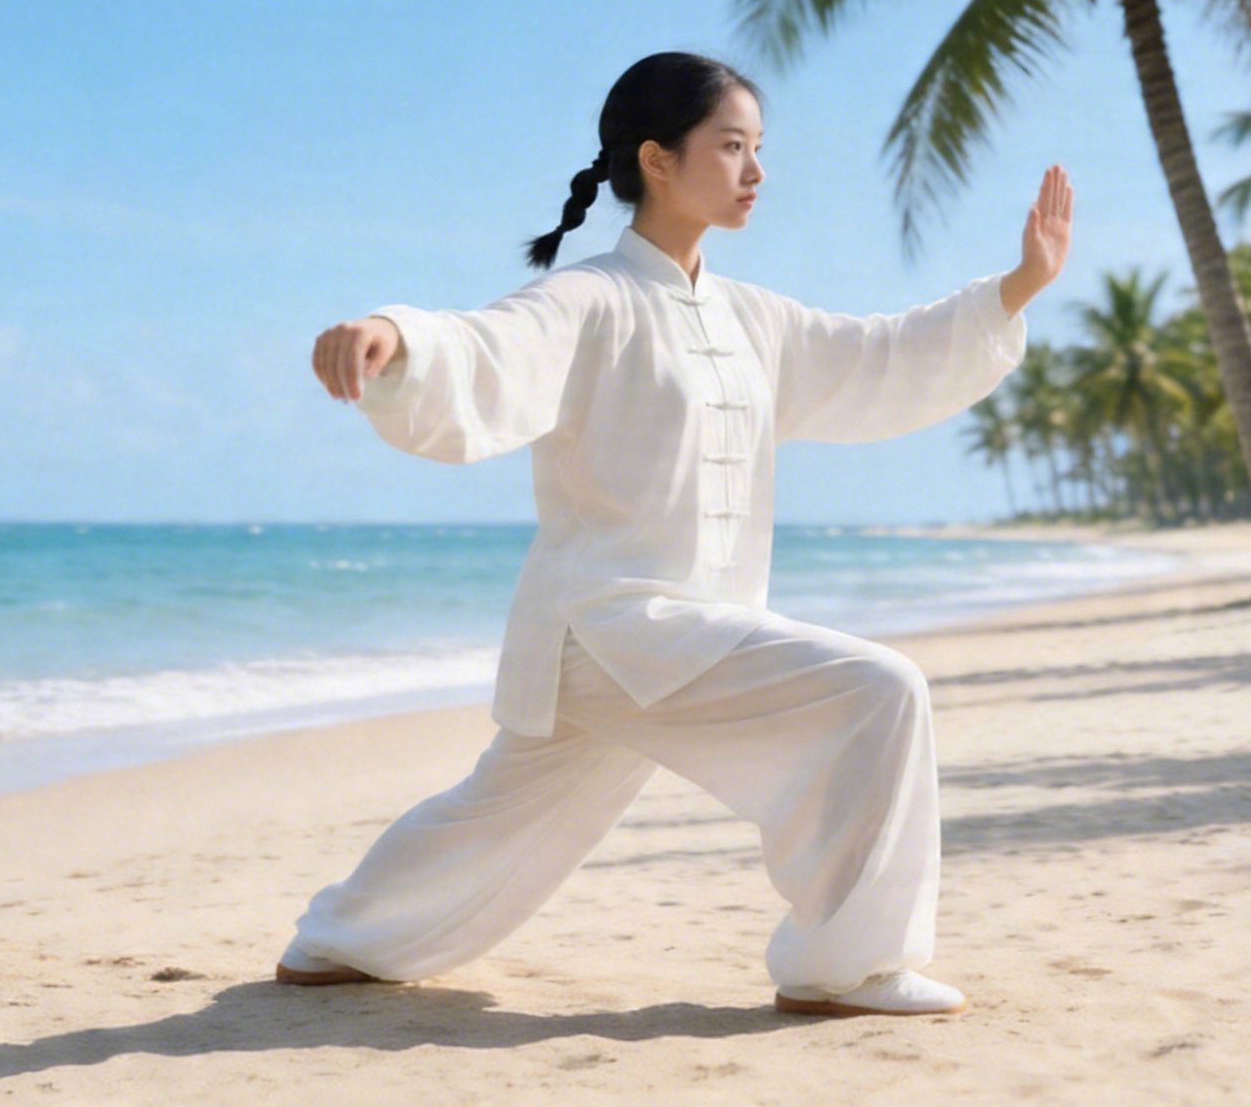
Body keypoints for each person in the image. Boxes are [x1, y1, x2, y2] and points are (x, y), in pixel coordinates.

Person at [286, 50, 1072, 1017]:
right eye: (731, 146)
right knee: (881, 691)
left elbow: (879, 357)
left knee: (497, 819)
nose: (756, 170)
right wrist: (397, 337)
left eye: (758, 149)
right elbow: (487, 347)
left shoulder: (752, 318)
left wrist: (1014, 289)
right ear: (657, 161)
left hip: (661, 634)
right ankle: (845, 966)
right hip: (616, 626)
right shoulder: (591, 298)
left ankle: (335, 944)